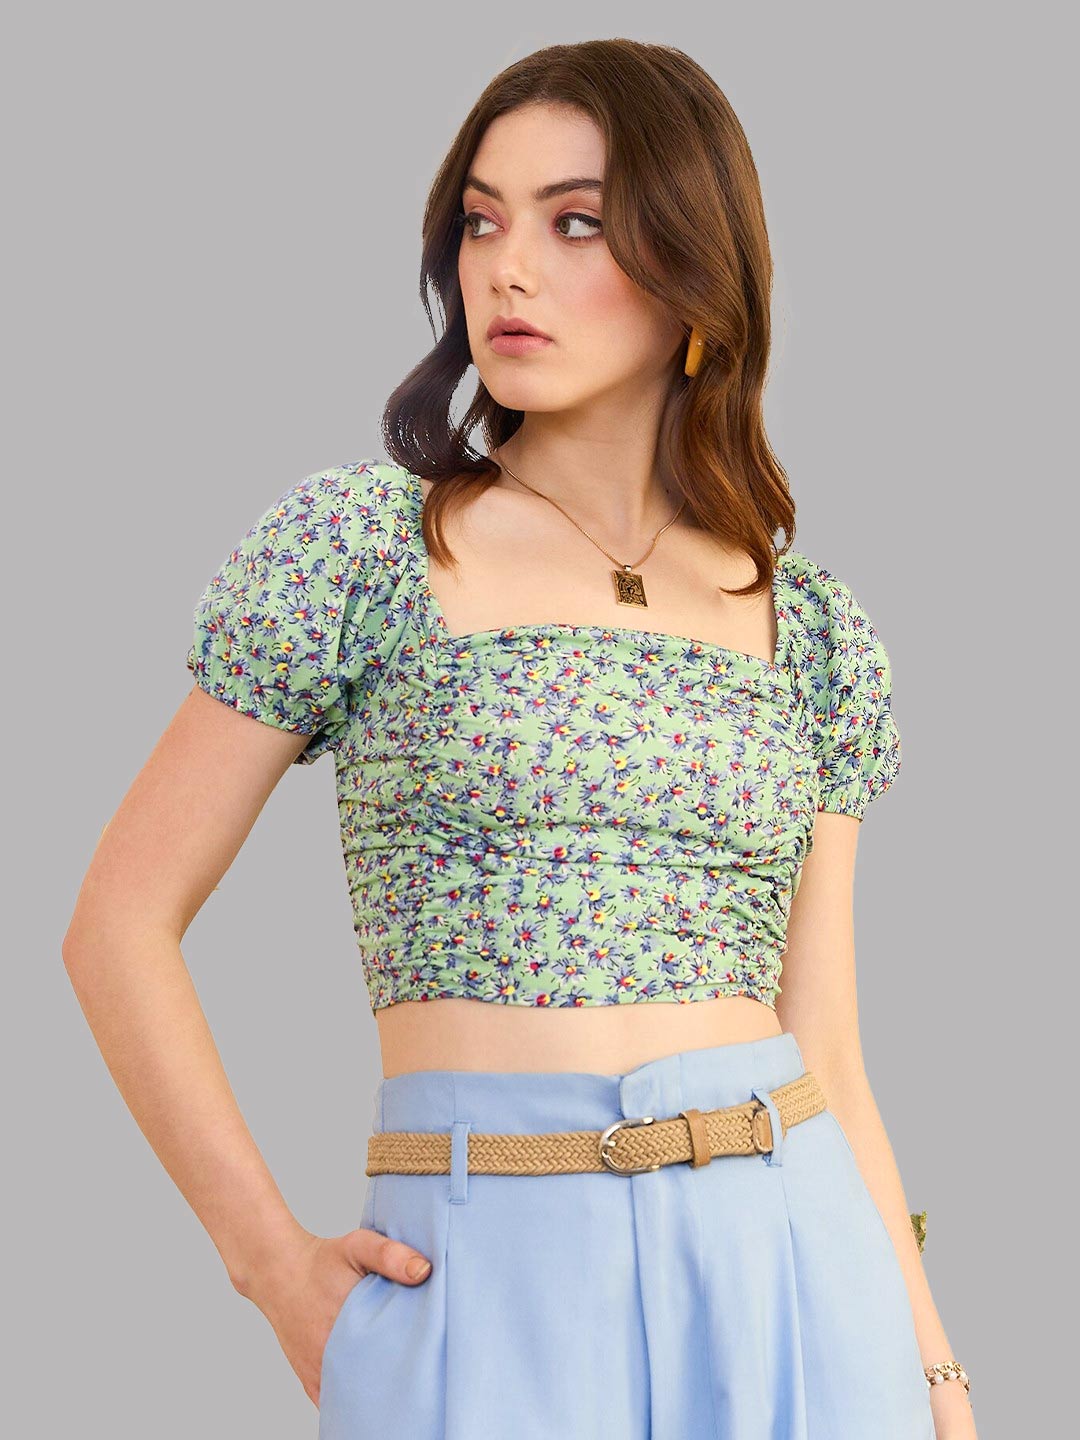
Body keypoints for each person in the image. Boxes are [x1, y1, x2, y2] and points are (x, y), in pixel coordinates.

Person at [63, 38, 976, 1440]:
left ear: (697, 272)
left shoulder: (814, 629)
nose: (508, 270)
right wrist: (272, 1267)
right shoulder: (362, 550)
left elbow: (832, 1051)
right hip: (484, 1278)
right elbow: (116, 925)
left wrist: (936, 1377)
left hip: (795, 1268)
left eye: (576, 223)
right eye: (482, 223)